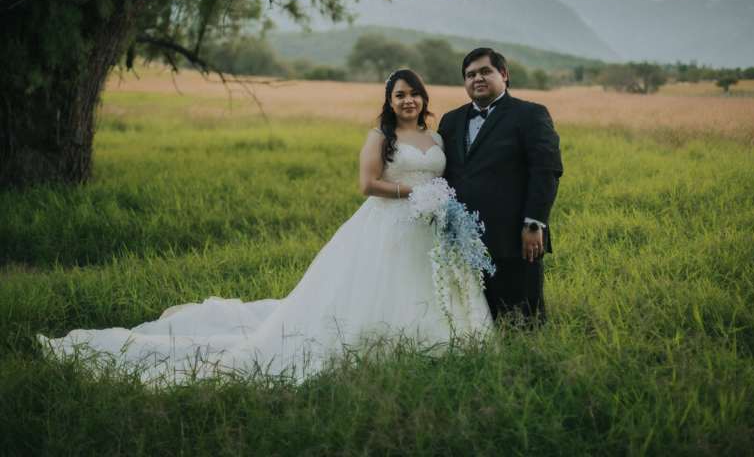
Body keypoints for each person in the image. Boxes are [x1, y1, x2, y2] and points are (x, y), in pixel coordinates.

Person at [38, 70, 492, 386]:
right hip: (386, 224)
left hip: (432, 229)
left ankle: (429, 342)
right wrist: (411, 195)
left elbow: (446, 177)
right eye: (399, 95)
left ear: (424, 98)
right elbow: (366, 184)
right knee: (373, 290)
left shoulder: (437, 138)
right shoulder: (380, 137)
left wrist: (440, 203)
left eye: (413, 93)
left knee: (425, 287)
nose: (407, 100)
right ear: (389, 102)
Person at [438, 48, 563, 325]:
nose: (477, 79)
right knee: (475, 320)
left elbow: (546, 171)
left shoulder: (530, 114)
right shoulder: (451, 120)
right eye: (470, 75)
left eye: (485, 71)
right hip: (462, 237)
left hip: (514, 237)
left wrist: (534, 224)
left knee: (522, 320)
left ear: (503, 75)